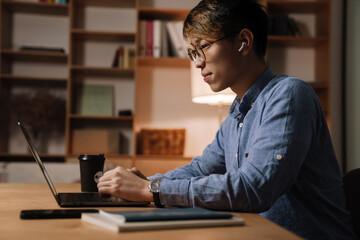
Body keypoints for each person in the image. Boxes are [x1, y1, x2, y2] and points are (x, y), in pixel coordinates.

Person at [97, 0, 356, 239]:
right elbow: (200, 169)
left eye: (204, 47)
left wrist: (151, 190)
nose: (198, 63)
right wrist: (146, 184)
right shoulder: (237, 112)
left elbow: (253, 189)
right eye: (193, 52)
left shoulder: (289, 94)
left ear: (243, 41)